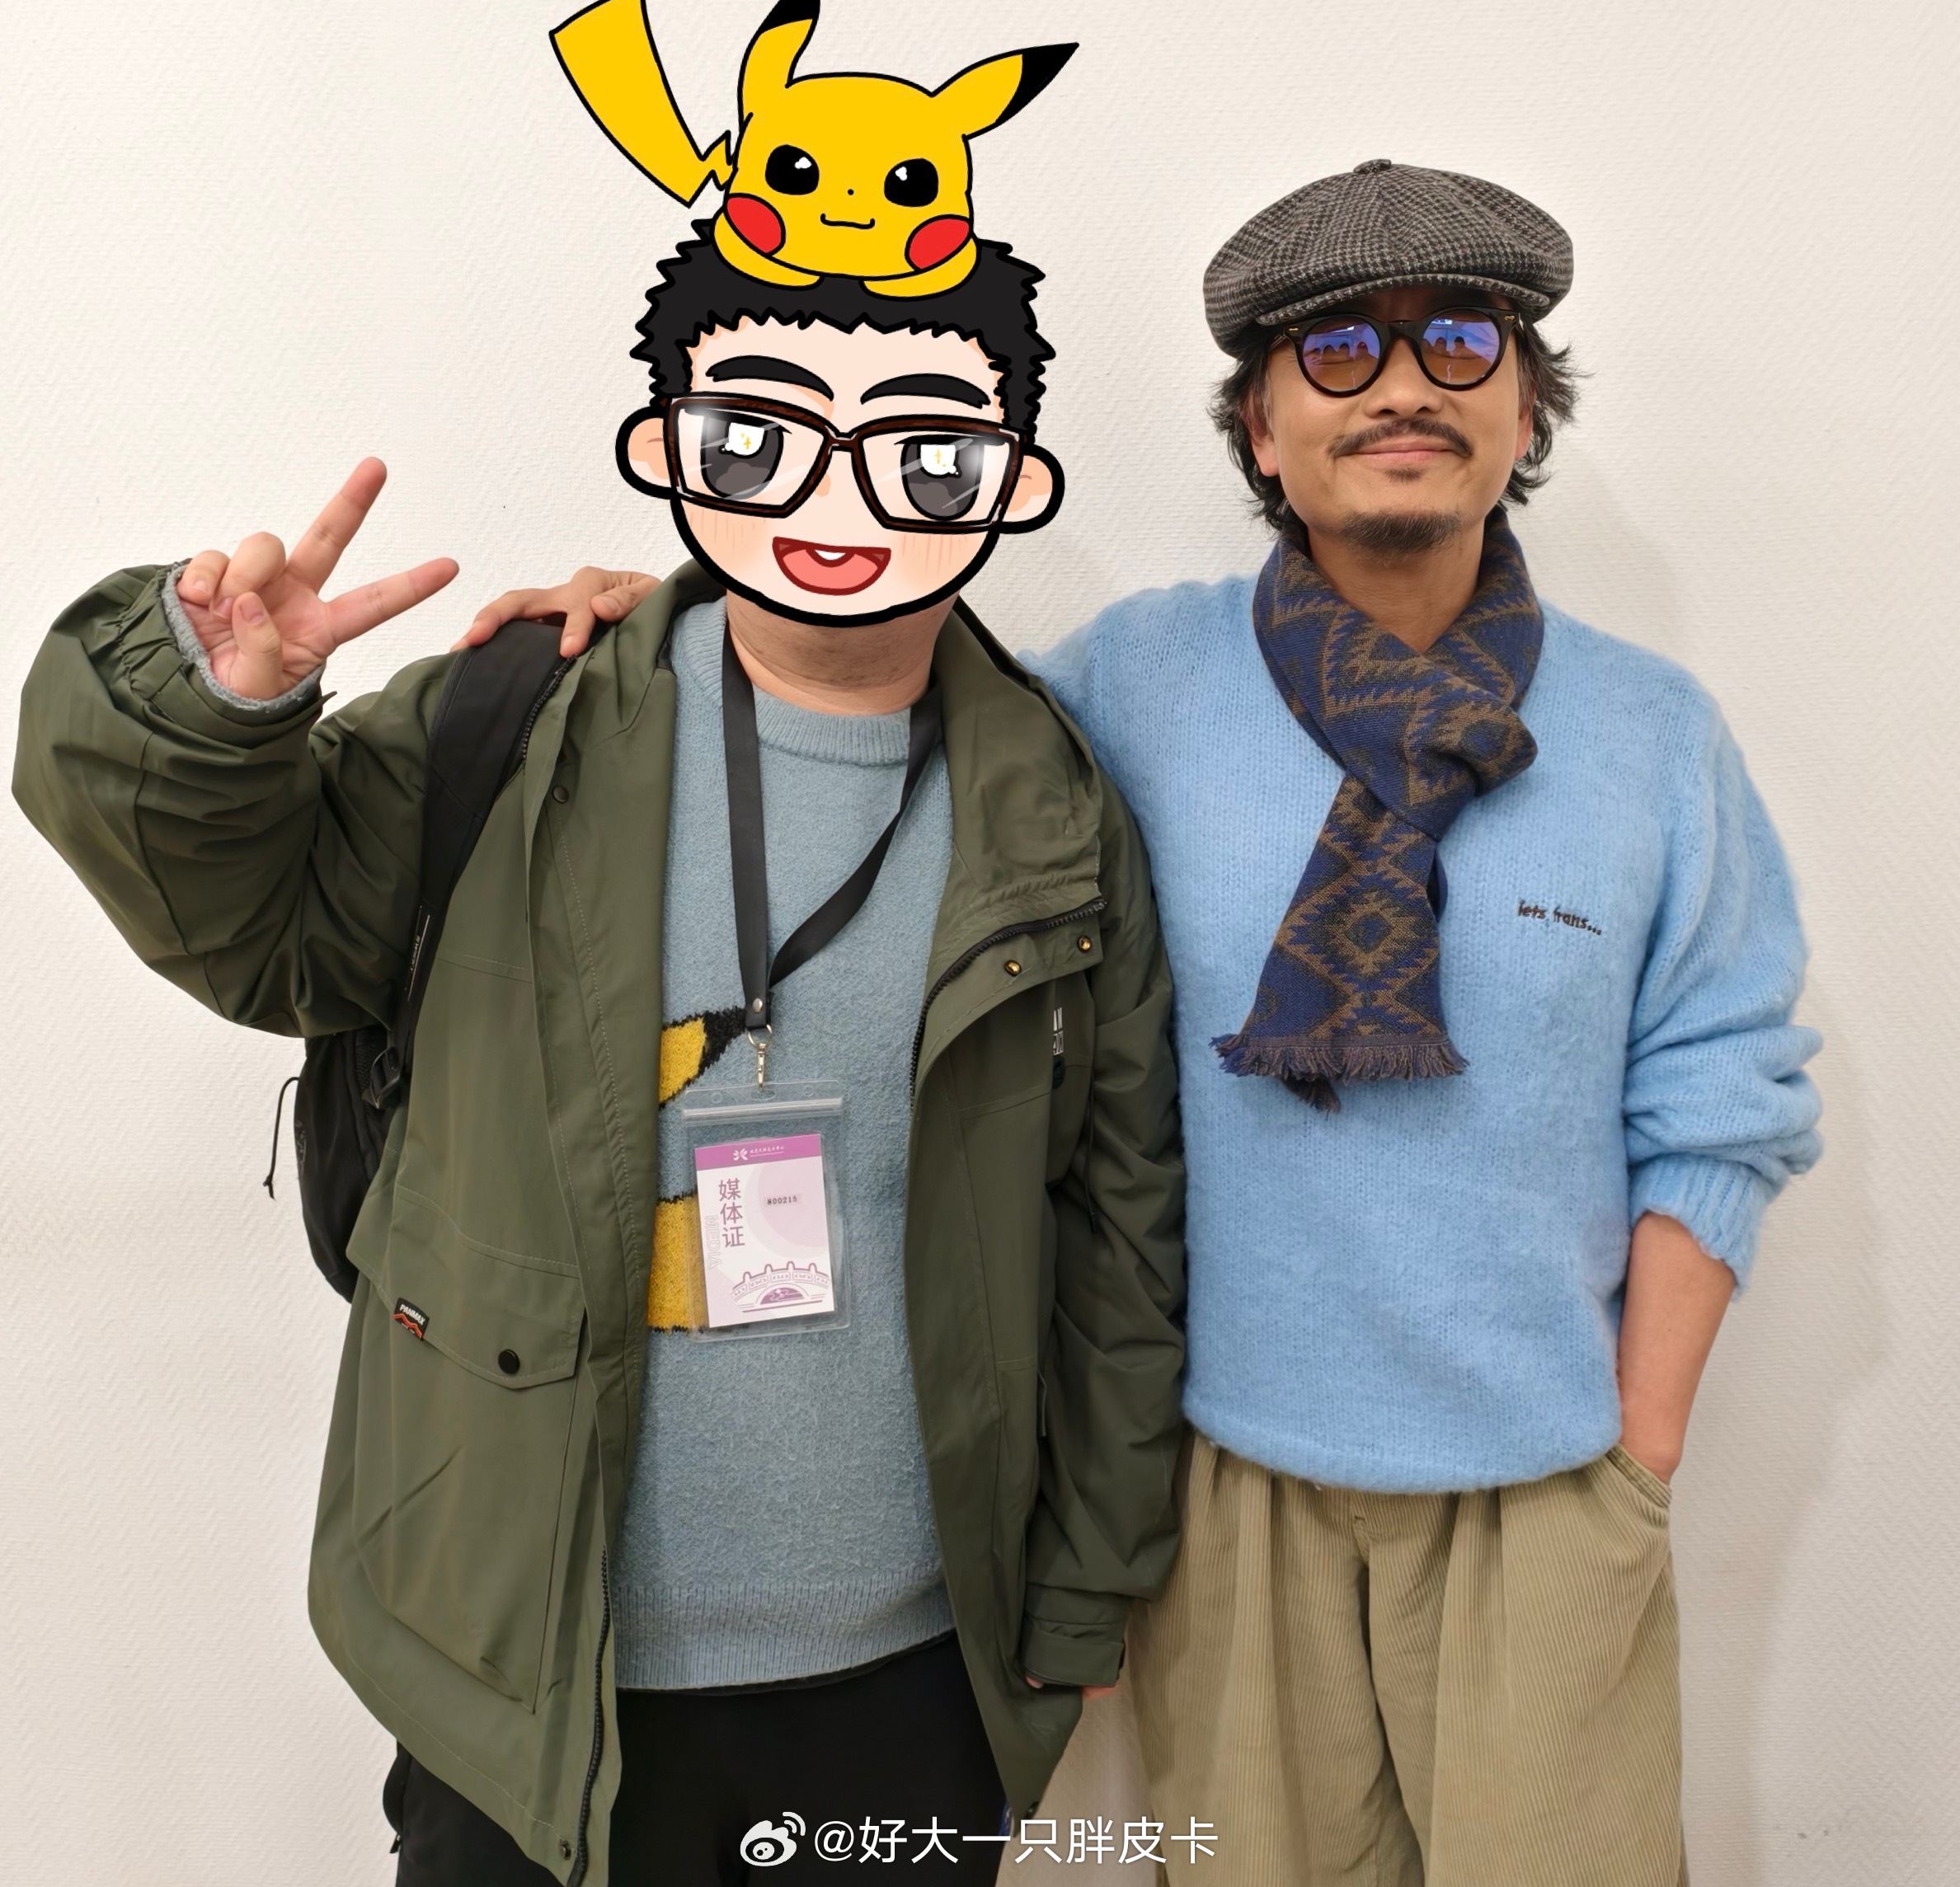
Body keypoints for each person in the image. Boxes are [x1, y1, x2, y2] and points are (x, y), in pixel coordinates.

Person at [512, 160, 1821, 1885]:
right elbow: (872, 697)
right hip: (1220, 1491)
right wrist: (675, 614)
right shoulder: (1130, 684)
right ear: (1261, 430)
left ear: (1525, 410)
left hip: (1544, 1482)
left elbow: (1722, 1096)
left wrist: (1636, 1457)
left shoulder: (1653, 732)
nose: (1403, 386)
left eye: (1458, 341)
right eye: (1336, 351)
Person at [12, 220, 1186, 1885]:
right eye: (764, 432)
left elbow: (1120, 1234)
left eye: (922, 450)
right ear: (668, 445)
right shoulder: (517, 719)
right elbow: (262, 933)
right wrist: (205, 713)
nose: (837, 493)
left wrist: (1080, 1588)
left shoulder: (1056, 809)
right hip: (527, 1669)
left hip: (916, 1675)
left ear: (1013, 480)